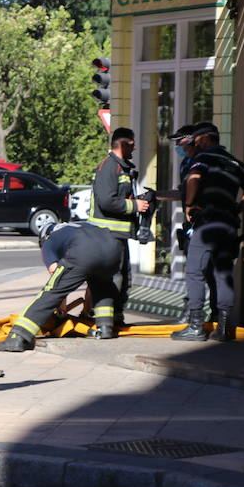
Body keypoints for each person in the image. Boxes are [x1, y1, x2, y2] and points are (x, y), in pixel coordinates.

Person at [164, 122, 244, 342]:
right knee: (223, 274)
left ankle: (196, 327)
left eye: (197, 141)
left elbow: (194, 178)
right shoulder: (235, 162)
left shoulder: (204, 158)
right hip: (229, 225)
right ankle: (224, 328)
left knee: (195, 271)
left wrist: (189, 205)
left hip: (208, 222)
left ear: (206, 138)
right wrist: (238, 208)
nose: (195, 145)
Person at [0, 221, 121, 352]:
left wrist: (61, 313)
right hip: (113, 249)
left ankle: (18, 337)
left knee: (50, 292)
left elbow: (56, 278)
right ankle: (106, 327)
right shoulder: (74, 227)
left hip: (83, 249)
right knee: (102, 285)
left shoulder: (49, 239)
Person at [88, 127, 151, 339]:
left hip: (118, 236)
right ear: (123, 145)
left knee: (123, 279)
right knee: (112, 279)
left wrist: (139, 200)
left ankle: (115, 319)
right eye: (132, 145)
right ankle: (104, 323)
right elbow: (106, 201)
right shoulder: (109, 168)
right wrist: (135, 207)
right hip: (107, 235)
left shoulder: (122, 168)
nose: (135, 149)